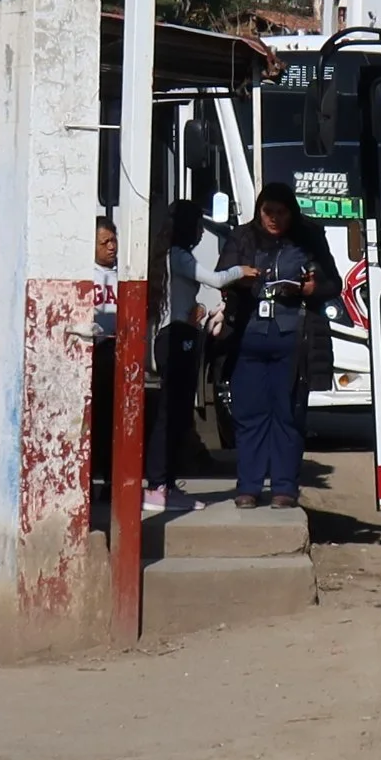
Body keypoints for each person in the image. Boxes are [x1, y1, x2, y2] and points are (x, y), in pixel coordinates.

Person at [208, 183, 320, 510]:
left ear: (291, 213)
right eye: (267, 212)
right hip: (248, 336)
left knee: (288, 414)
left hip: (291, 338)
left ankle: (284, 487)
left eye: (280, 213)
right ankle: (249, 487)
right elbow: (221, 275)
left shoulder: (308, 237)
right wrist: (239, 276)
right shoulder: (242, 237)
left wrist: (311, 287)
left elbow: (331, 281)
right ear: (259, 211)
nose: (273, 219)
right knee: (249, 414)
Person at [143, 198, 208, 513]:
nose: (201, 232)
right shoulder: (180, 257)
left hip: (176, 335)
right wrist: (245, 270)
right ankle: (158, 485)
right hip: (176, 338)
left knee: (177, 415)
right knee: (171, 415)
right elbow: (218, 279)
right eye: (198, 224)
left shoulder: (168, 257)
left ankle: (165, 484)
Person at [89, 216, 118, 496]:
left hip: (115, 351)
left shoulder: (123, 275)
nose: (111, 247)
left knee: (113, 419)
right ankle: (90, 477)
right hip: (92, 352)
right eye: (104, 242)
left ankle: (110, 479)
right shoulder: (87, 275)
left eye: (113, 240)